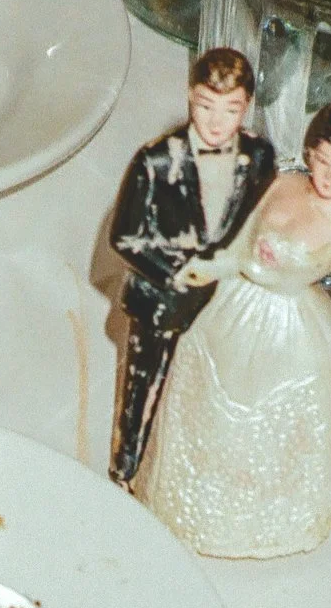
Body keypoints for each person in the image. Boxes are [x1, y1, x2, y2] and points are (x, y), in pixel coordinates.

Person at [134, 95, 331, 559]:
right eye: (321, 159)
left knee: (274, 415)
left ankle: (264, 505)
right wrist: (209, 268)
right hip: (234, 302)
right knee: (204, 392)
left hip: (288, 324)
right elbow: (241, 241)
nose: (327, 175)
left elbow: (300, 268)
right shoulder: (283, 184)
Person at [109, 47, 276, 488]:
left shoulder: (259, 157)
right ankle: (126, 468)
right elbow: (124, 237)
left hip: (228, 298)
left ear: (247, 106)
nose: (217, 122)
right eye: (205, 106)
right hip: (162, 303)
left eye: (231, 110)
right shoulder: (155, 161)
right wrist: (176, 271)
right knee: (145, 389)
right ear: (188, 97)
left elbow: (261, 215)